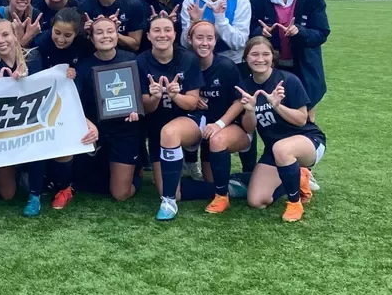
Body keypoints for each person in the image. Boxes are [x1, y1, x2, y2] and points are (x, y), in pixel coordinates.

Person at [236, 37, 325, 222]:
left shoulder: (288, 80)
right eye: (254, 54)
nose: (260, 59)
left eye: (265, 54)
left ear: (273, 57)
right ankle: (298, 177)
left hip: (307, 140)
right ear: (246, 58)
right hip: (275, 150)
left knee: (282, 148)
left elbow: (302, 120)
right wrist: (250, 110)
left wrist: (277, 106)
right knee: (256, 200)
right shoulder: (246, 86)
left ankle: (294, 203)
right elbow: (248, 128)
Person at [136, 15, 204, 220]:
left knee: (171, 131)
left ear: (175, 34)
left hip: (188, 120)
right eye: (156, 30)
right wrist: (155, 98)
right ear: (148, 35)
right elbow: (145, 108)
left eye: (167, 30)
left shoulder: (188, 59)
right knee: (173, 189)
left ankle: (168, 202)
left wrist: (175, 96)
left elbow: (192, 102)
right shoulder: (140, 62)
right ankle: (229, 186)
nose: (162, 35)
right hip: (157, 128)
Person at [249, 0, 329, 122]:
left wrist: (300, 32)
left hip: (305, 66)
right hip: (273, 67)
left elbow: (322, 33)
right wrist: (259, 32)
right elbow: (250, 29)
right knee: (275, 118)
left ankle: (308, 148)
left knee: (305, 119)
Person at [31, 8, 95, 209]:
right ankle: (39, 182)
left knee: (66, 142)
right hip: (43, 103)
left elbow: (87, 72)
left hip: (74, 102)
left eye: (67, 35)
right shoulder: (41, 43)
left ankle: (65, 187)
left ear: (76, 34)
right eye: (57, 32)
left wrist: (77, 72)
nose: (60, 39)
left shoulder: (83, 46)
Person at [186, 21, 251, 214]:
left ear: (216, 41)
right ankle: (241, 184)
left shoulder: (225, 66)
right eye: (199, 37)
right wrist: (192, 98)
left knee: (217, 139)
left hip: (232, 128)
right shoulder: (186, 64)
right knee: (211, 183)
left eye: (210, 38)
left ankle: (223, 198)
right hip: (205, 133)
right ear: (190, 40)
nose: (204, 43)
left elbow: (240, 101)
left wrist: (220, 124)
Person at [0, 18, 45, 216]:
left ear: (15, 35)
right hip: (4, 130)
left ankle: (35, 195)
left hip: (31, 123)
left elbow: (51, 83)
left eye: (5, 35)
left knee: (38, 137)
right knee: (8, 194)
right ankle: (13, 172)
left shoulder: (34, 57)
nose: (1, 40)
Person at [74, 17, 136, 200]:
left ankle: (135, 173)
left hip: (125, 130)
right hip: (96, 130)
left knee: (119, 194)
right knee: (83, 184)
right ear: (91, 39)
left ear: (117, 34)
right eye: (99, 32)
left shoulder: (132, 60)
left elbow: (141, 99)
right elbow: (74, 102)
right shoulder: (83, 67)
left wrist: (138, 111)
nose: (105, 36)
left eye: (110, 31)